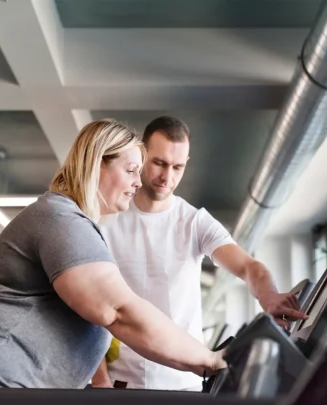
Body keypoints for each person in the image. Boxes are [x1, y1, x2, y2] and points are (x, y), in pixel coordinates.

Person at [0, 118, 226, 394]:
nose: (137, 181)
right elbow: (118, 311)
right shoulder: (62, 221)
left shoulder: (76, 224)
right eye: (130, 170)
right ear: (96, 165)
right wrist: (208, 359)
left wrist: (203, 365)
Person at [91, 116, 307, 391]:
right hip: (122, 382)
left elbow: (249, 268)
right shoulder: (106, 219)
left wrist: (269, 295)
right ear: (141, 154)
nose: (167, 177)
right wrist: (100, 379)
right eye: (159, 163)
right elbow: (88, 308)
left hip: (185, 382)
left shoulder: (194, 222)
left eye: (177, 167)